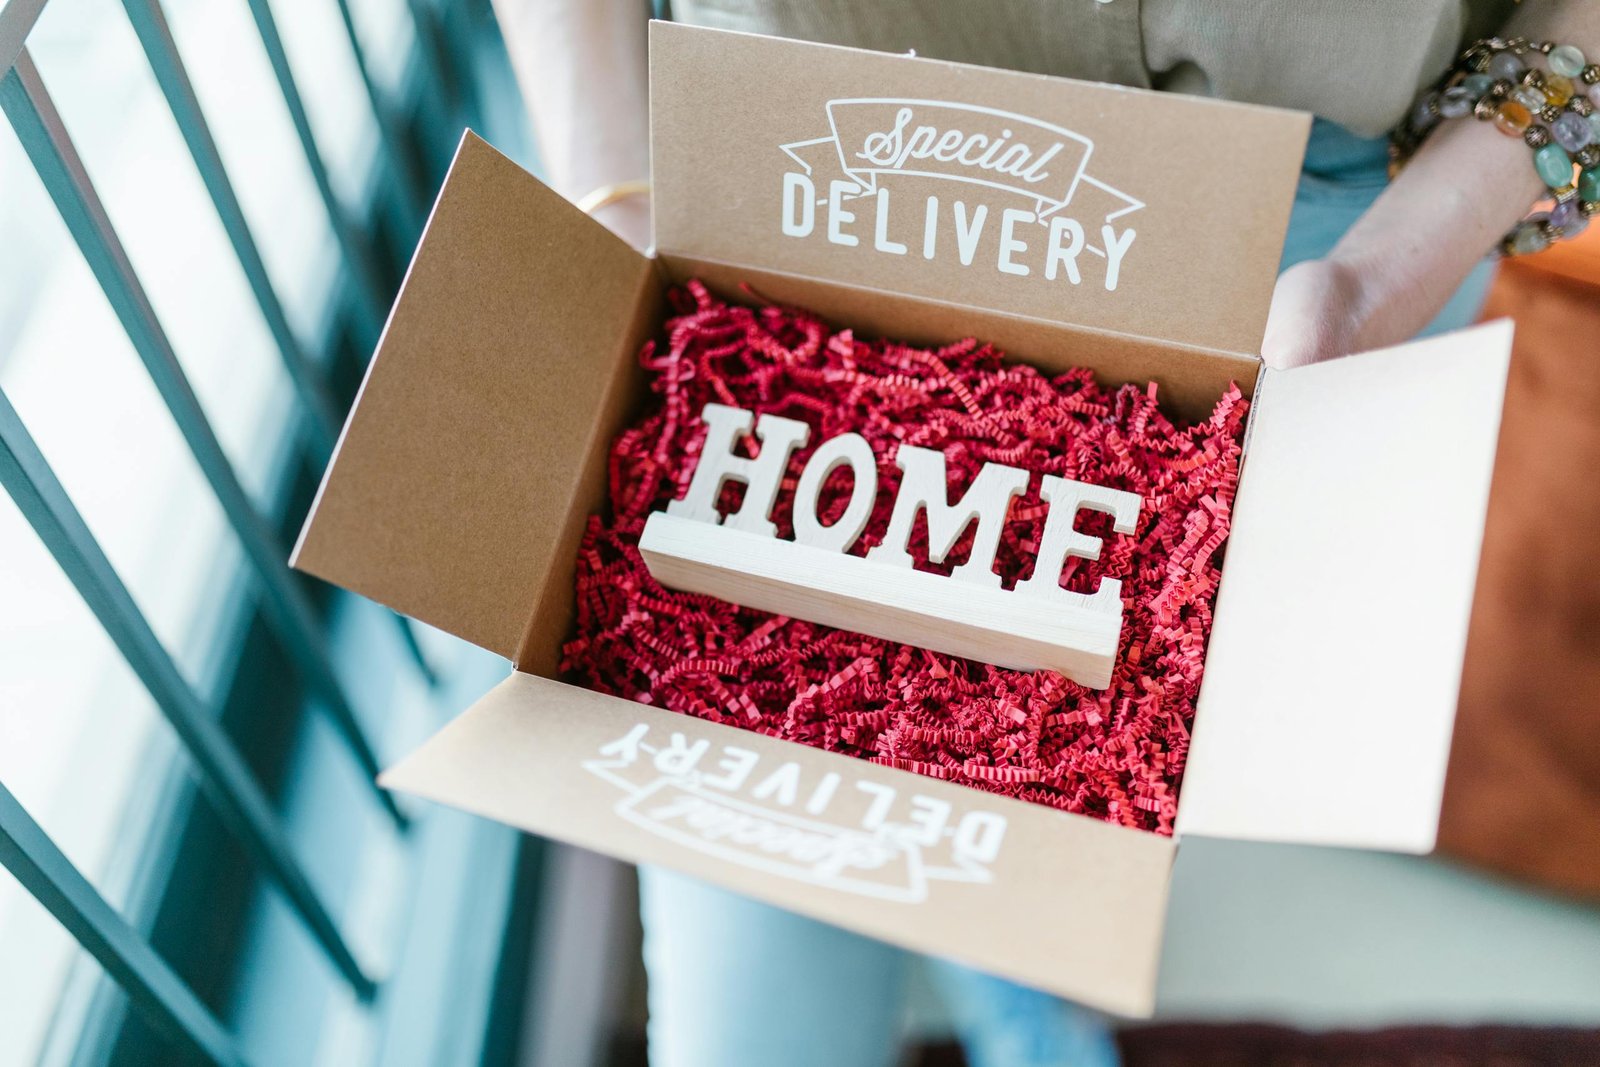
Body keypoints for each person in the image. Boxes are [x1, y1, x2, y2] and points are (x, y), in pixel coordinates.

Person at [491, 3, 1600, 1064]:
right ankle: (1007, 953)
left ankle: (1011, 958)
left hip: (1341, 206)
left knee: (1085, 756)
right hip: (807, 174)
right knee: (756, 972)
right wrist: (615, 203)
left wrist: (1374, 276)